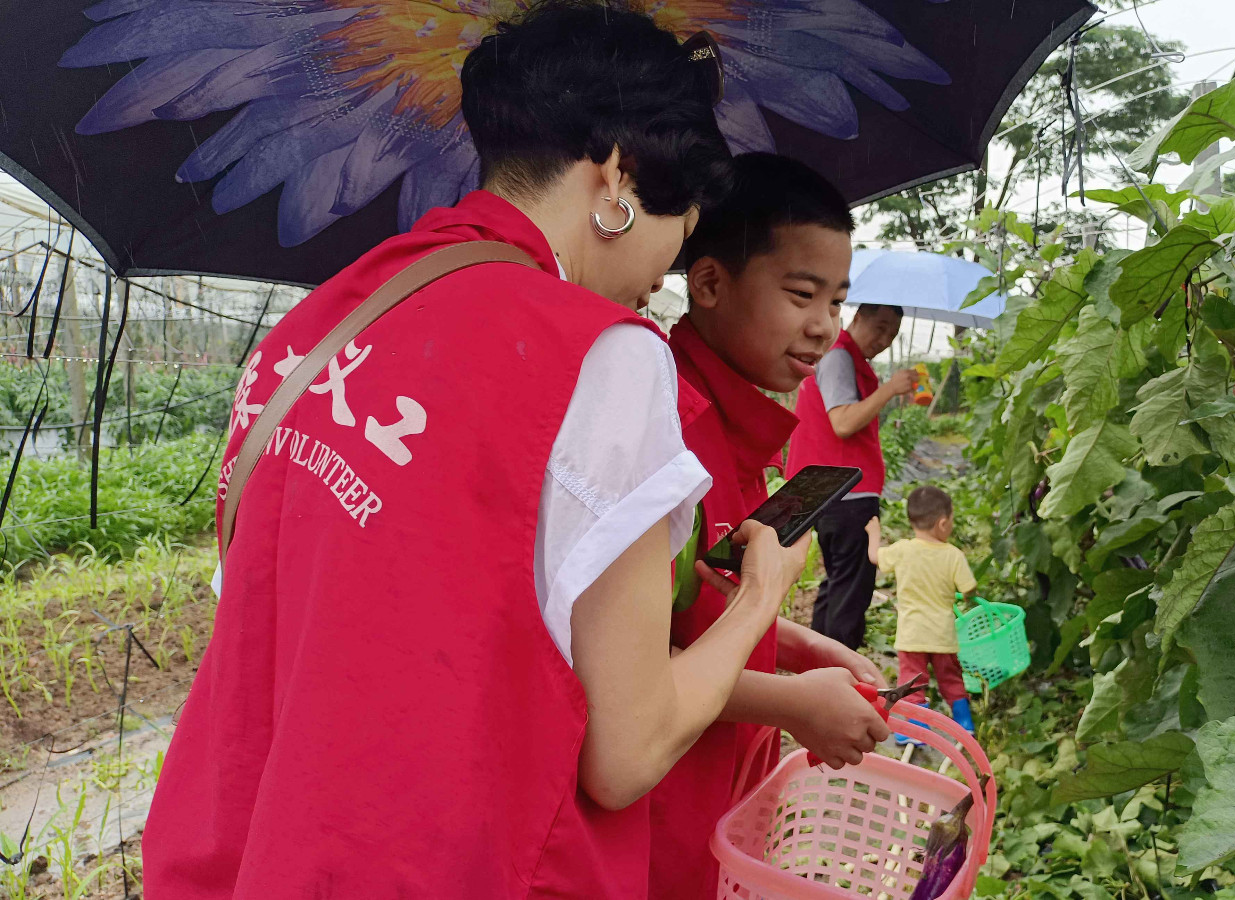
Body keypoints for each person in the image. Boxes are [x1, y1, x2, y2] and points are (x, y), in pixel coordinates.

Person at [142, 6, 808, 898]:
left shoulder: (316, 326)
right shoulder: (603, 355)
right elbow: (628, 749)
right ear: (618, 175)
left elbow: (300, 604)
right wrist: (762, 595)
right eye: (675, 237)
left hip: (251, 855)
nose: (660, 280)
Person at [653, 152, 892, 900]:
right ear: (711, 282)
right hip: (663, 804)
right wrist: (791, 703)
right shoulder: (668, 431)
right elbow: (625, 665)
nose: (823, 328)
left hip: (720, 786)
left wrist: (799, 645)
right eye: (800, 295)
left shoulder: (737, 430)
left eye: (837, 301)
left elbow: (695, 603)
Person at [787, 303, 916, 649]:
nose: (884, 339)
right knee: (850, 595)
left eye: (892, 333)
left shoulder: (849, 360)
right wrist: (890, 389)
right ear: (857, 318)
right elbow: (843, 422)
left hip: (837, 491)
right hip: (845, 495)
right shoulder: (839, 357)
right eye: (880, 327)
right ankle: (841, 677)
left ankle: (817, 669)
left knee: (838, 585)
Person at [866, 485, 977, 735]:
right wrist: (967, 596)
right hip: (942, 635)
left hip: (912, 634)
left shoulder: (902, 550)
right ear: (942, 523)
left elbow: (874, 556)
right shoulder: (953, 555)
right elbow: (969, 588)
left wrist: (874, 532)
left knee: (912, 682)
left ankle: (914, 728)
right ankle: (964, 722)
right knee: (951, 679)